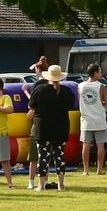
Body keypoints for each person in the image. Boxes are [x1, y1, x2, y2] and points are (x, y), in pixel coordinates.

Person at [29, 64, 74, 192]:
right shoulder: (67, 91)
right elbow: (70, 106)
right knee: (59, 156)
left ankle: (41, 185)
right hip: (61, 126)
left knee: (43, 156)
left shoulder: (40, 90)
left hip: (43, 127)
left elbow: (32, 106)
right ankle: (61, 184)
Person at [77, 63, 107, 176]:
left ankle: (86, 170)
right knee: (100, 145)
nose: (101, 74)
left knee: (86, 145)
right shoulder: (101, 86)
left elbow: (80, 101)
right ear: (95, 73)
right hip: (99, 119)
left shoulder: (80, 86)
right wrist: (101, 102)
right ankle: (99, 169)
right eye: (100, 72)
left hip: (86, 120)